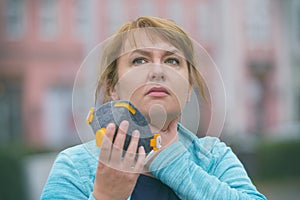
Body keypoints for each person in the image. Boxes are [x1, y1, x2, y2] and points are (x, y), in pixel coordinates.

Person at [41, 16, 266, 200]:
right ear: (113, 87)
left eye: (172, 61)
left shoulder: (213, 156)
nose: (158, 71)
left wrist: (174, 164)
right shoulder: (74, 166)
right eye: (139, 60)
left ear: (189, 89)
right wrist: (105, 196)